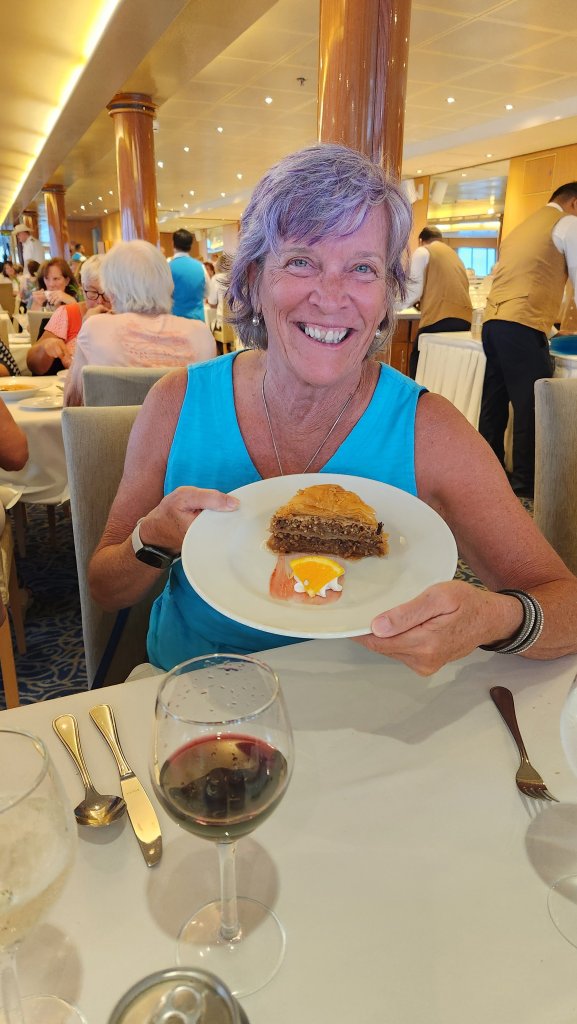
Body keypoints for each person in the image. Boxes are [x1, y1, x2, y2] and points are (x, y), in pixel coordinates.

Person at [88, 143, 577, 678]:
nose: (331, 296)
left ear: (387, 296)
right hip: (200, 696)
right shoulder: (177, 402)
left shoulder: (428, 429)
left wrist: (493, 618)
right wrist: (152, 539)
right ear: (252, 279)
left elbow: (565, 605)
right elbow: (106, 589)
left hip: (371, 707)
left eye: (363, 268)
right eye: (301, 261)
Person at [479, 182, 577, 499]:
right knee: (532, 405)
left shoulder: (522, 228)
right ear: (574, 204)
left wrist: (553, 328)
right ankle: (525, 482)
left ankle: (488, 471)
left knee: (494, 403)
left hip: (494, 322)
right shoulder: (567, 223)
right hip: (521, 325)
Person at [64, 240, 217, 406]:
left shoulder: (95, 328)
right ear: (168, 284)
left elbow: (72, 404)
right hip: (184, 424)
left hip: (118, 424)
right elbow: (211, 404)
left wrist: (82, 335)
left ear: (112, 290)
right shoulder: (201, 334)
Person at [402, 226, 472, 378]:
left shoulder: (423, 251)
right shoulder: (454, 256)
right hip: (465, 322)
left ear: (421, 240)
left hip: (439, 319)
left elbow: (413, 291)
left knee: (418, 365)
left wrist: (392, 306)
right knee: (445, 373)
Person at [27, 256, 109, 375]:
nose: (100, 301)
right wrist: (46, 346)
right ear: (83, 289)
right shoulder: (68, 313)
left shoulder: (128, 315)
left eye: (107, 293)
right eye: (92, 292)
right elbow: (33, 365)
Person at [169, 229, 208, 322]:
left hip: (176, 320)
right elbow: (207, 292)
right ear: (191, 245)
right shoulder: (201, 266)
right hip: (198, 320)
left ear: (173, 244)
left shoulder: (168, 267)